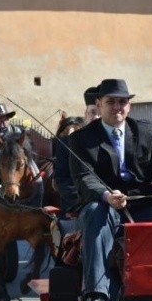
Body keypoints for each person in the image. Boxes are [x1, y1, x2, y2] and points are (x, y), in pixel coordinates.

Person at [69, 78, 152, 301]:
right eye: (110, 102)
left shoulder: (145, 131)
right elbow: (84, 179)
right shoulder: (81, 138)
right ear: (99, 104)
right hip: (104, 205)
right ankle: (96, 297)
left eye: (122, 102)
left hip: (142, 205)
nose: (117, 107)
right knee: (95, 213)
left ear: (129, 106)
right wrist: (107, 195)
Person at [53, 87, 99, 216]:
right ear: (86, 115)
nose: (96, 117)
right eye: (92, 112)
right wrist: (84, 200)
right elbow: (62, 180)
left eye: (100, 113)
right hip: (79, 205)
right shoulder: (68, 142)